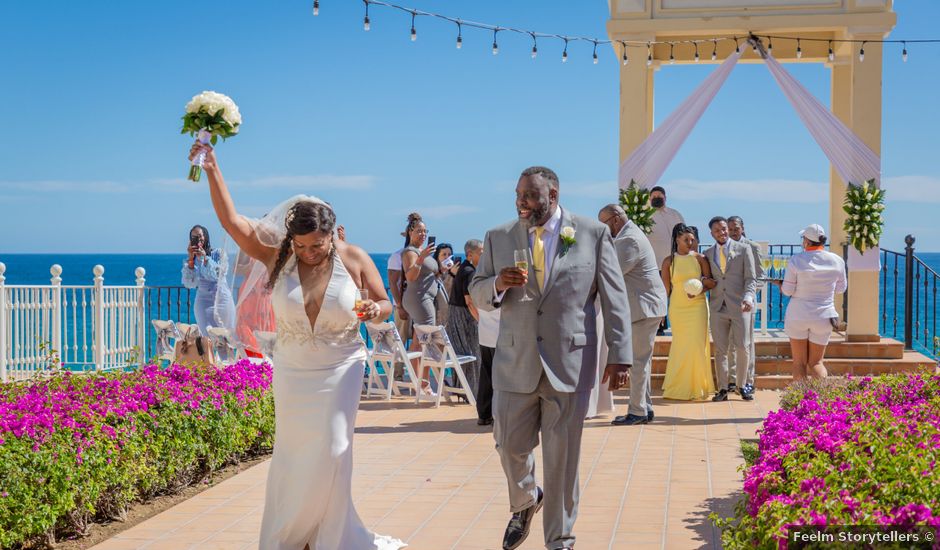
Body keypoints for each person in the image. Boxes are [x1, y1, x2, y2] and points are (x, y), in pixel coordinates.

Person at [188, 142, 405, 550]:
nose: (307, 253)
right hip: (292, 369)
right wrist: (213, 168)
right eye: (301, 245)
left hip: (342, 362)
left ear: (331, 234)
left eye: (316, 246)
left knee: (336, 447)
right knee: (293, 453)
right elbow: (233, 223)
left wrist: (373, 308)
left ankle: (330, 535)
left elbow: (386, 307)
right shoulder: (277, 259)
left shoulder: (354, 258)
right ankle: (297, 534)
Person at [469, 166, 632, 550]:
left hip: (569, 362)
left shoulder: (592, 233)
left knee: (562, 460)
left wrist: (621, 356)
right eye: (517, 195)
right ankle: (526, 500)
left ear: (553, 195)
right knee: (508, 443)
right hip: (515, 360)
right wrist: (497, 284)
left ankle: (561, 538)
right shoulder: (498, 236)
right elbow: (477, 291)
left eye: (528, 195)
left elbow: (614, 297)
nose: (520, 202)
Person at [598, 204, 668, 425]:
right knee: (641, 360)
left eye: (604, 224)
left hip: (643, 308)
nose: (602, 229)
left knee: (636, 361)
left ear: (616, 219)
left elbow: (612, 272)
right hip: (644, 306)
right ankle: (644, 408)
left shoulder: (629, 240)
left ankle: (637, 411)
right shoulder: (629, 235)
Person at [773, 224, 846, 381]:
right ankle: (821, 400)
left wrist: (781, 285)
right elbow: (841, 289)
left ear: (806, 241)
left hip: (798, 315)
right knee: (816, 362)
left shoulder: (796, 260)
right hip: (824, 316)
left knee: (799, 363)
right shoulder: (837, 261)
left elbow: (788, 291)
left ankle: (801, 401)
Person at [660, 223, 716, 401]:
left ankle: (697, 387)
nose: (690, 243)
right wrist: (662, 312)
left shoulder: (700, 259)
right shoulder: (669, 262)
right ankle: (677, 387)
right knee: (680, 345)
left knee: (697, 346)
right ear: (676, 239)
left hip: (698, 307)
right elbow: (665, 290)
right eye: (686, 239)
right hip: (678, 309)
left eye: (692, 240)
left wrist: (699, 290)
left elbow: (710, 283)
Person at [704, 217, 758, 402]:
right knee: (720, 350)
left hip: (740, 306)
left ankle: (743, 385)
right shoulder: (708, 253)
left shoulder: (744, 249)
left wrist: (748, 297)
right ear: (712, 233)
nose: (722, 232)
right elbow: (706, 278)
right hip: (718, 306)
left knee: (743, 346)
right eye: (718, 230)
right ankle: (722, 388)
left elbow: (751, 278)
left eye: (724, 229)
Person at [401, 213, 438, 394]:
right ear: (410, 232)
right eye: (419, 231)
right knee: (427, 341)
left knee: (417, 343)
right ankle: (424, 384)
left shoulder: (423, 251)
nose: (422, 234)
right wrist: (422, 258)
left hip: (425, 298)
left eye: (425, 231)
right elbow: (410, 276)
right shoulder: (410, 252)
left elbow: (428, 275)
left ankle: (419, 382)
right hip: (420, 300)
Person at [727, 215, 764, 394]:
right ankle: (732, 380)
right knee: (729, 344)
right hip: (727, 304)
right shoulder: (723, 248)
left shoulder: (753, 247)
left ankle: (748, 380)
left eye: (736, 228)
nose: (733, 232)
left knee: (746, 344)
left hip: (745, 304)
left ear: (742, 228)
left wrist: (748, 296)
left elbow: (760, 277)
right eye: (730, 229)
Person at [181, 224, 236, 337]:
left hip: (222, 300)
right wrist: (191, 260)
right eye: (194, 237)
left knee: (226, 338)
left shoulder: (219, 253)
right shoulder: (193, 259)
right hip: (203, 301)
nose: (198, 239)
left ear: (205, 236)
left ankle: (226, 355)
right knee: (206, 338)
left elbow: (218, 274)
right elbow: (189, 283)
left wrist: (205, 259)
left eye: (200, 236)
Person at [445, 240, 482, 400]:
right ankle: (473, 392)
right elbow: (469, 301)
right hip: (464, 318)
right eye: (481, 252)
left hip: (454, 314)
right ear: (470, 254)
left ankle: (462, 390)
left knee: (461, 353)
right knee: (473, 353)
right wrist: (480, 319)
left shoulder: (463, 270)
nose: (484, 254)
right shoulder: (469, 271)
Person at [646, 186, 685, 335]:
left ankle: (678, 324)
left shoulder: (675, 214)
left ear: (665, 198)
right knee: (657, 295)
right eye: (654, 196)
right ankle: (659, 327)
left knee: (676, 294)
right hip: (655, 262)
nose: (657, 198)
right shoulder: (645, 217)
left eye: (659, 196)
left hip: (675, 261)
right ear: (650, 199)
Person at [387, 231, 411, 380]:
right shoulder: (397, 256)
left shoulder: (423, 255)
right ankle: (397, 376)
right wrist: (400, 306)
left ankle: (419, 376)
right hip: (404, 305)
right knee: (400, 340)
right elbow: (392, 282)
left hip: (419, 305)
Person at [433, 242, 458, 327]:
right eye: (444, 254)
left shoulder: (454, 272)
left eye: (449, 254)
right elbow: (442, 291)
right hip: (437, 313)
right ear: (437, 257)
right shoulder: (433, 272)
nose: (447, 257)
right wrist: (451, 275)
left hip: (452, 314)